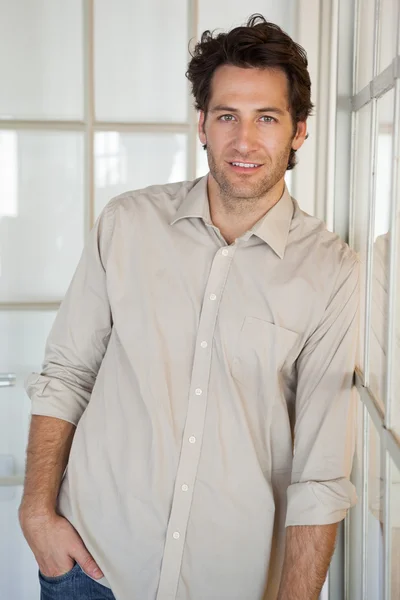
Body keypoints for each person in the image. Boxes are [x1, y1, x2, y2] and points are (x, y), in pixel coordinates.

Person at [19, 14, 360, 600]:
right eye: (227, 116)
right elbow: (67, 374)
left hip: (232, 583)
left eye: (267, 118)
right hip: (90, 568)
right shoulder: (126, 224)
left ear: (299, 131)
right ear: (202, 123)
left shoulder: (331, 272)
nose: (244, 141)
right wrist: (35, 514)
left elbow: (321, 470)